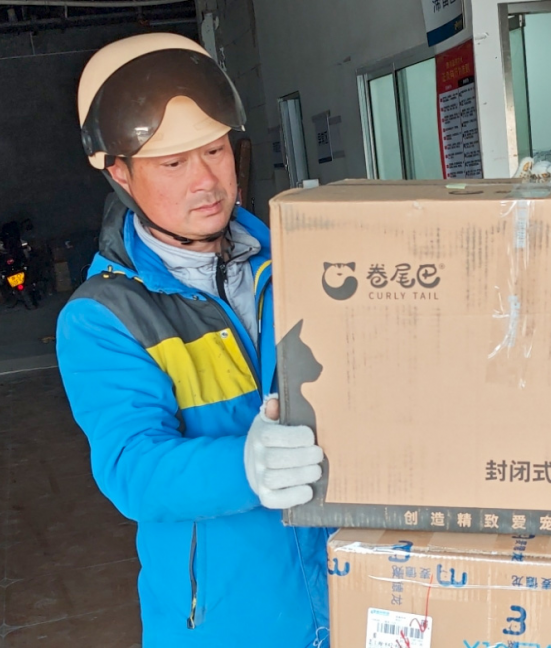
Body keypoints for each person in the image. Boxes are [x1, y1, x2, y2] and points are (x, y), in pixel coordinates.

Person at [56, 32, 330, 647]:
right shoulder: (105, 317)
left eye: (214, 151)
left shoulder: (304, 262)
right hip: (229, 624)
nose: (205, 180)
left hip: (349, 594)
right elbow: (132, 467)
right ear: (120, 173)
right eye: (172, 164)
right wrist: (244, 465)